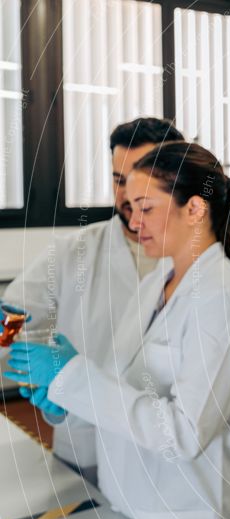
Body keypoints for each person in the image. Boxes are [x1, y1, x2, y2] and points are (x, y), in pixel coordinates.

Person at [6, 142, 230, 519]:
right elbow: (122, 386)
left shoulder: (226, 297)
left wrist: (73, 376)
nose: (134, 223)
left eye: (147, 208)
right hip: (128, 499)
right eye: (131, 208)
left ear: (195, 208)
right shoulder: (156, 284)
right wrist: (65, 400)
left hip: (185, 518)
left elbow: (184, 434)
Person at [2, 118, 184, 485]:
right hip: (85, 438)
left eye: (142, 179)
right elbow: (17, 312)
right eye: (119, 180)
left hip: (170, 452)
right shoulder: (75, 252)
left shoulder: (200, 262)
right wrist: (8, 333)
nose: (129, 195)